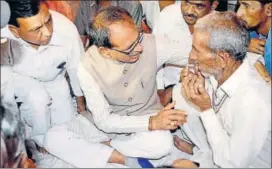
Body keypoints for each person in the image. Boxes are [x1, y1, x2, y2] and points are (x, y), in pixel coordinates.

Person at [43, 6, 189, 168]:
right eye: (129, 48)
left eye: (138, 38)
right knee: (53, 138)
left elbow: (193, 55)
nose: (140, 48)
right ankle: (127, 160)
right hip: (107, 123)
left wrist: (188, 75)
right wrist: (151, 122)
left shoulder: (152, 44)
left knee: (162, 145)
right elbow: (104, 120)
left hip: (144, 117)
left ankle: (105, 148)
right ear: (106, 52)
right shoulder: (87, 66)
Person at [174, 11, 271, 168]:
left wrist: (206, 108)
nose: (191, 56)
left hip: (247, 164)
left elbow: (232, 164)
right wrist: (198, 84)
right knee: (180, 93)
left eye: (196, 50)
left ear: (223, 58)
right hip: (226, 147)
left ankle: (204, 156)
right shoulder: (224, 68)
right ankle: (205, 153)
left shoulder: (253, 100)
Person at [1, 0, 85, 153]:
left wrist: (81, 103)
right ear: (14, 31)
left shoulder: (66, 29)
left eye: (48, 21)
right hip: (18, 77)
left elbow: (77, 69)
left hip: (54, 77)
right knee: (37, 99)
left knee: (68, 126)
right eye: (36, 29)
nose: (47, 32)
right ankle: (38, 139)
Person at [153, 0, 219, 106]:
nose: (189, 11)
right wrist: (160, 89)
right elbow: (155, 55)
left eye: (198, 6)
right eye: (186, 3)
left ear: (214, 5)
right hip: (167, 85)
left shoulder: (220, 24)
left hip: (203, 91)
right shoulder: (168, 15)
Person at [236, 0, 271, 76]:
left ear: (269, 9)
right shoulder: (250, 32)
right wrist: (243, 46)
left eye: (246, 6)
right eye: (240, 5)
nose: (238, 13)